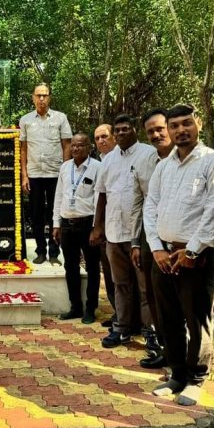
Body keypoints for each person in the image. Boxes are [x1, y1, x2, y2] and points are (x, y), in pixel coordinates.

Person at [143, 104, 214, 406]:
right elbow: (150, 206)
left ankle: (196, 378)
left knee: (198, 318)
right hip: (163, 255)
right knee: (168, 318)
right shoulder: (164, 166)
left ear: (198, 124)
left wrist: (191, 250)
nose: (180, 130)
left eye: (186, 123)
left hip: (196, 255)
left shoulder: (213, 162)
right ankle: (177, 374)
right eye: (174, 125)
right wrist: (155, 248)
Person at [91, 114, 157, 349]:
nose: (120, 134)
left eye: (124, 129)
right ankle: (122, 329)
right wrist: (97, 226)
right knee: (120, 284)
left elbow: (151, 197)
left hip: (137, 233)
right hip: (113, 233)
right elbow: (102, 194)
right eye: (117, 130)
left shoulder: (147, 154)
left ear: (134, 131)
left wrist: (144, 235)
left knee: (144, 286)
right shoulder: (108, 160)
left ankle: (151, 333)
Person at [129, 108, 174, 369]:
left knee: (180, 303)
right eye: (151, 132)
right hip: (150, 238)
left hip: (180, 241)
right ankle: (167, 352)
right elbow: (141, 203)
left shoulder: (191, 160)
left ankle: (190, 361)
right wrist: (137, 242)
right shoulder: (147, 162)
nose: (157, 134)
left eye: (160, 128)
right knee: (154, 297)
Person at [20, 83, 72, 264]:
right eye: (38, 95)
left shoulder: (60, 118)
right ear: (33, 97)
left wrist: (66, 172)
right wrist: (24, 176)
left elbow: (67, 145)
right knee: (36, 214)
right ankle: (40, 250)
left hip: (55, 174)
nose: (41, 98)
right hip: (34, 174)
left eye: (45, 95)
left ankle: (54, 252)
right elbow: (24, 149)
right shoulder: (26, 120)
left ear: (50, 97)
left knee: (55, 213)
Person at [52, 134, 102, 324]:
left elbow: (99, 200)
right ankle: (75, 307)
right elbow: (58, 197)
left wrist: (96, 228)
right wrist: (56, 224)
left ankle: (91, 308)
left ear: (89, 147)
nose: (76, 149)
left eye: (80, 145)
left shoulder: (97, 167)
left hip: (87, 224)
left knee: (92, 268)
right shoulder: (65, 168)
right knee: (70, 267)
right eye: (73, 145)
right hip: (67, 224)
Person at [93, 124, 119, 323]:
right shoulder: (101, 162)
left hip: (121, 230)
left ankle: (127, 318)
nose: (101, 141)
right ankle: (119, 313)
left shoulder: (121, 159)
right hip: (104, 228)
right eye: (98, 138)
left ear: (114, 138)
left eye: (105, 136)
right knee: (110, 275)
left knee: (121, 278)